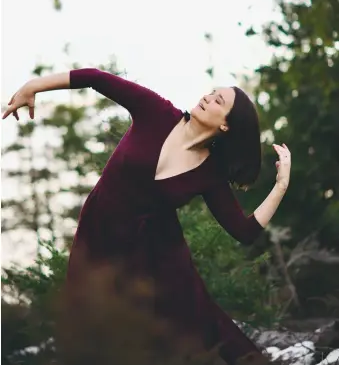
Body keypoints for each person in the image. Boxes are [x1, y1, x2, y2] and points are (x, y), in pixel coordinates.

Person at [2, 67, 291, 364]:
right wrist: (33, 86)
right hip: (98, 233)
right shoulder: (156, 111)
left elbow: (243, 231)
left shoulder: (211, 172)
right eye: (212, 92)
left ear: (227, 126)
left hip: (157, 252)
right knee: (90, 323)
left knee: (195, 322)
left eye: (219, 101)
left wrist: (281, 186)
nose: (208, 97)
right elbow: (94, 77)